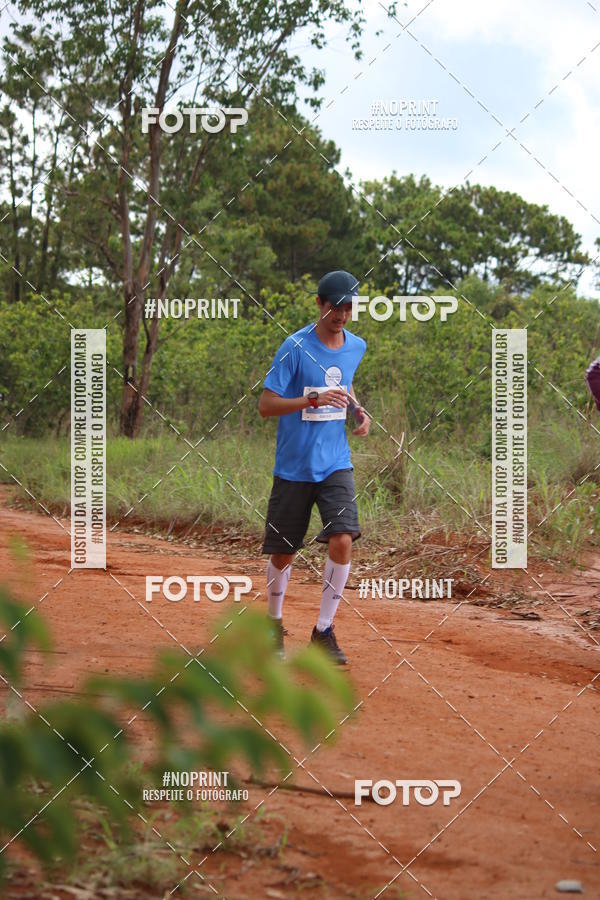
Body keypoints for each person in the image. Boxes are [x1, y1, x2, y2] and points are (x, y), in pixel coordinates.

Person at [258, 270, 370, 664]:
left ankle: (323, 631)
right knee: (284, 553)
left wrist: (357, 409)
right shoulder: (294, 347)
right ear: (319, 304)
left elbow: (346, 382)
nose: (342, 314)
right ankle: (273, 624)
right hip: (294, 467)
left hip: (335, 463)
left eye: (348, 307)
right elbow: (266, 405)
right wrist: (311, 400)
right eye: (335, 306)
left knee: (343, 537)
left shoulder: (356, 346)